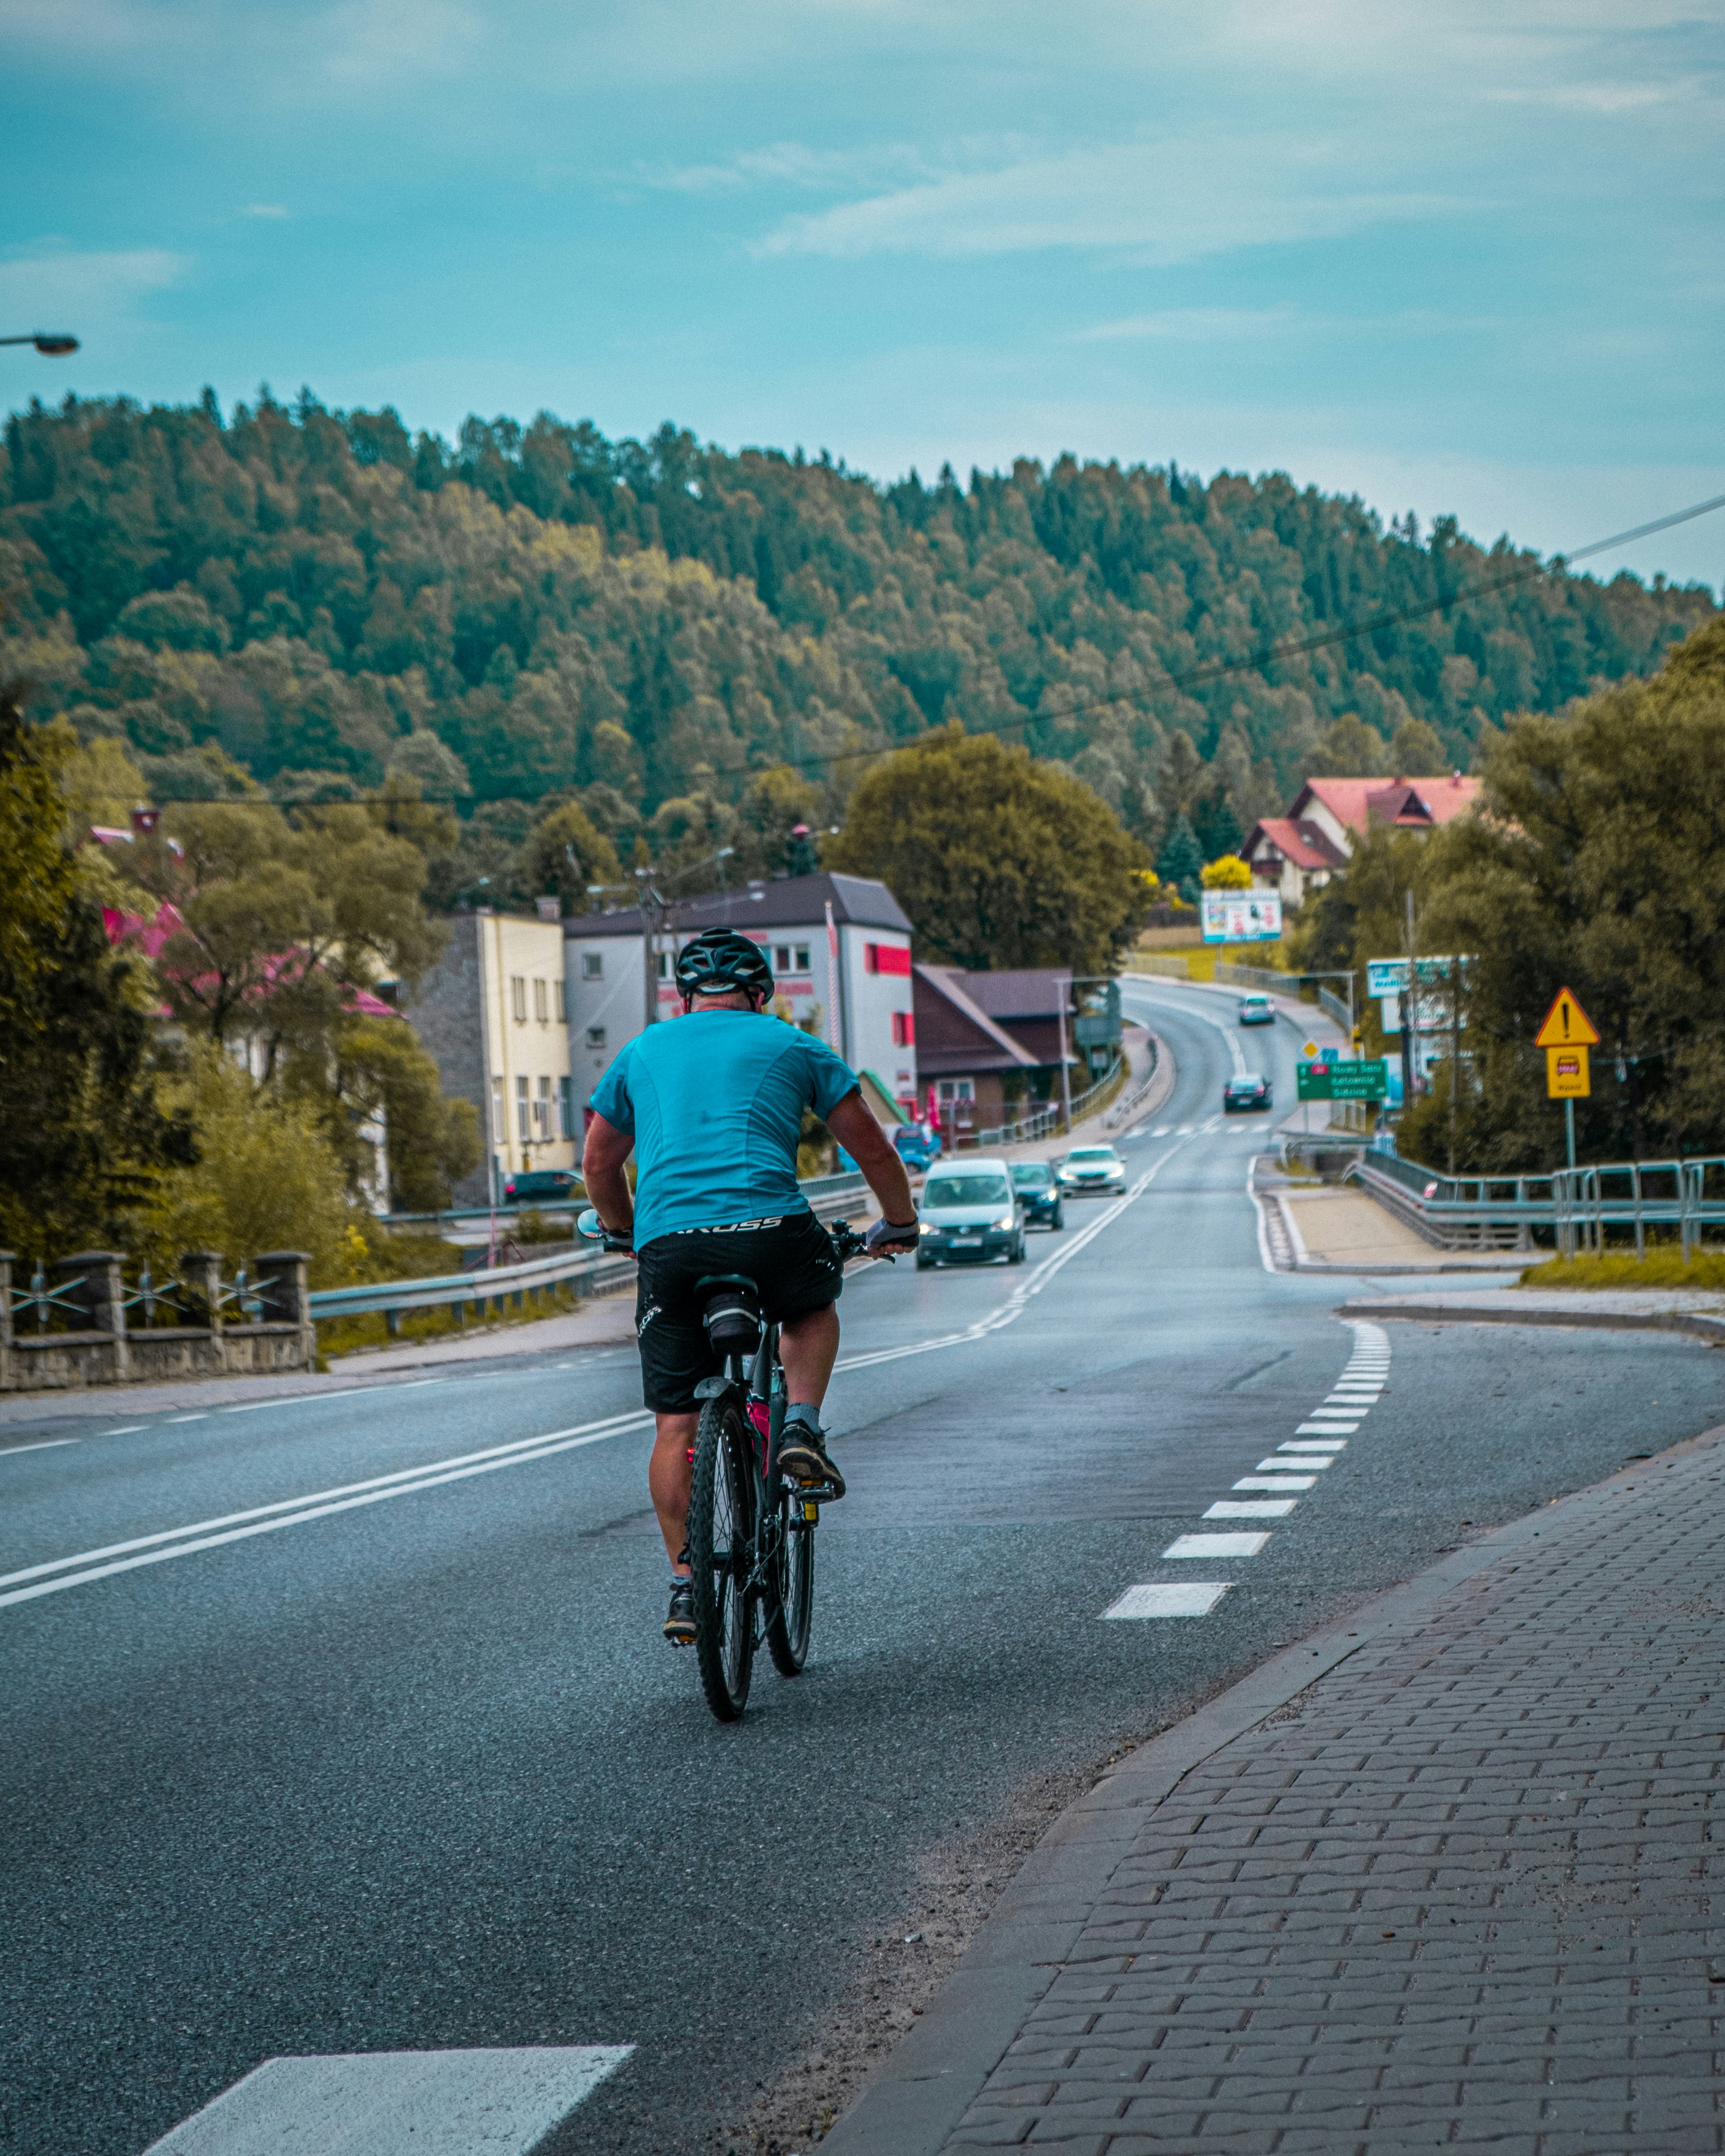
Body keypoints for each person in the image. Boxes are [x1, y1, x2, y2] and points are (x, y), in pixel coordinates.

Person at [581, 926, 921, 1644]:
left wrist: (623, 1230)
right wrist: (899, 1220)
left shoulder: (642, 1050)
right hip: (772, 1229)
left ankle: (684, 1583)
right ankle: (800, 1424)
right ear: (761, 994)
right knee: (810, 1307)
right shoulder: (793, 1046)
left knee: (675, 1425)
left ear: (684, 998)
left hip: (670, 1243)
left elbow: (600, 1162)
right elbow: (873, 1147)